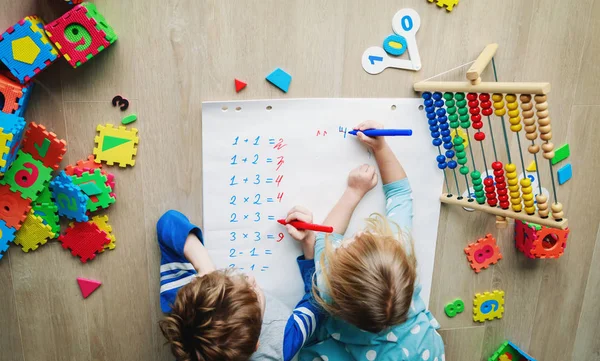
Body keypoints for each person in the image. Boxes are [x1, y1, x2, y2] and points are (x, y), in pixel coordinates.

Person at [299, 121, 445, 361]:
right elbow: (400, 194)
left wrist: (354, 191)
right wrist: (381, 148)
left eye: (348, 246)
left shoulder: (327, 287)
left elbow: (326, 238)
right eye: (369, 238)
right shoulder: (399, 252)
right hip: (422, 350)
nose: (360, 233)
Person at [157, 209, 323, 361]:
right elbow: (316, 303)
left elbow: (168, 222)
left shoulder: (186, 302)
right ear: (256, 345)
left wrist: (205, 268)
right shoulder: (282, 341)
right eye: (255, 294)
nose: (251, 278)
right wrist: (309, 242)